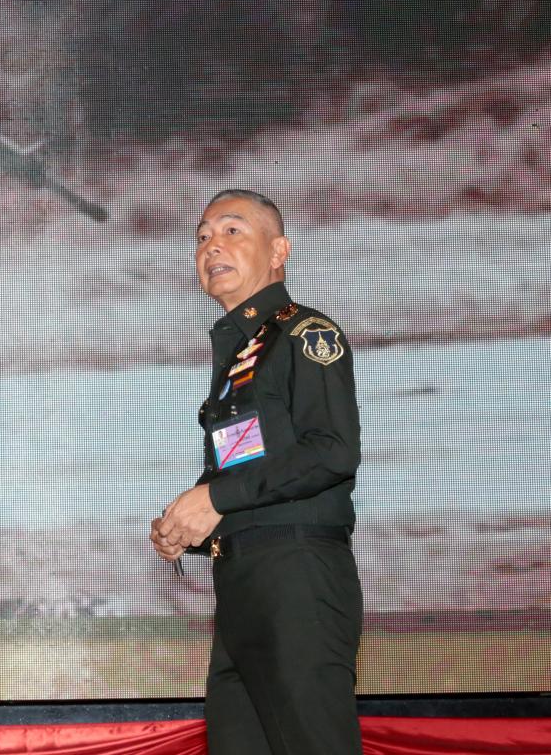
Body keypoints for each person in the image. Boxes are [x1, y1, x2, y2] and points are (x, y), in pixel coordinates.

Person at [150, 188, 363, 754]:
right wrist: (188, 522)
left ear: (279, 251)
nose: (210, 244)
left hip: (296, 577)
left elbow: (332, 451)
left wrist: (215, 499)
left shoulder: (305, 333)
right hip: (241, 586)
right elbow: (257, 473)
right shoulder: (238, 354)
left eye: (231, 230)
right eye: (201, 236)